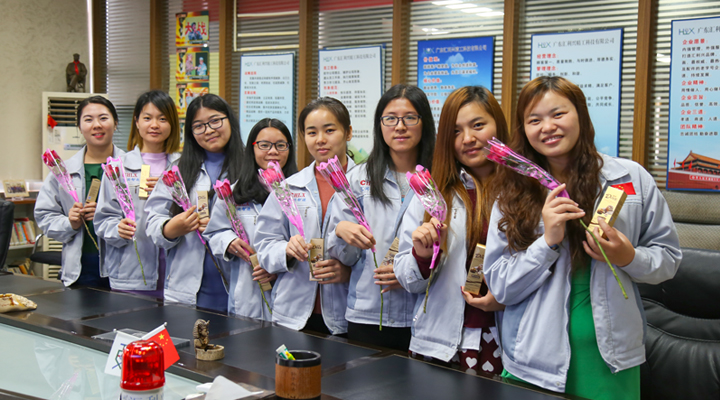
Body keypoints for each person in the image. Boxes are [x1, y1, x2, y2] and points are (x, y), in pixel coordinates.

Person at [484, 76, 682, 399]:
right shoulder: (511, 192)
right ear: (524, 129)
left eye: (558, 114)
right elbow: (500, 286)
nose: (548, 127)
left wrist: (628, 257)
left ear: (581, 115)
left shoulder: (630, 179)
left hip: (611, 360)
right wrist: (547, 242)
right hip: (533, 360)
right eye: (534, 120)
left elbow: (669, 260)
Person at [394, 86, 507, 374]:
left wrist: (507, 296)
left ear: (498, 125)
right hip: (440, 342)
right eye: (456, 131)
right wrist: (422, 257)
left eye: (478, 125)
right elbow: (407, 279)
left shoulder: (521, 192)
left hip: (503, 339)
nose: (468, 139)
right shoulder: (431, 193)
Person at [325, 84, 435, 350]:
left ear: (424, 123)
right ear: (379, 125)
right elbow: (344, 257)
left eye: (410, 118)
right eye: (390, 119)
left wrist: (411, 274)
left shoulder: (441, 177)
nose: (400, 127)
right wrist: (341, 232)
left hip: (426, 314)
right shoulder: (357, 179)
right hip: (368, 313)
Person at [254, 97, 356, 335]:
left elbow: (379, 249)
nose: (320, 139)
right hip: (293, 315)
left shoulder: (365, 186)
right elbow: (264, 244)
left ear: (348, 132)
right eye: (311, 132)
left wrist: (350, 273)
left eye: (329, 130)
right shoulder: (289, 187)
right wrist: (286, 251)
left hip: (347, 315)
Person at [145, 94, 243, 313]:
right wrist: (171, 228)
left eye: (215, 121)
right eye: (198, 126)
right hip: (187, 290)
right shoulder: (178, 171)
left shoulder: (249, 167)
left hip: (240, 288)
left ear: (230, 120)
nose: (208, 130)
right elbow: (153, 221)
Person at [204, 118, 298, 320]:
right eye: (264, 145)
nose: (273, 151)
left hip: (291, 291)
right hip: (248, 292)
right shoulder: (232, 193)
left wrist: (278, 264)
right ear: (252, 149)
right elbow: (214, 233)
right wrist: (228, 241)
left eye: (280, 145)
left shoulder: (300, 192)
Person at [95, 90, 182, 297]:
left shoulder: (183, 166)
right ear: (136, 122)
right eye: (147, 118)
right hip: (131, 271)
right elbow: (103, 220)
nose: (155, 125)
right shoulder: (118, 167)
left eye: (162, 119)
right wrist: (117, 228)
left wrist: (168, 191)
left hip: (177, 272)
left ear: (172, 124)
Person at [35, 96, 125, 288]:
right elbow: (44, 215)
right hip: (80, 268)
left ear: (115, 123)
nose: (97, 125)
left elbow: (146, 216)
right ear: (79, 127)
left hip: (124, 266)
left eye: (103, 118)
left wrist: (110, 216)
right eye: (88, 119)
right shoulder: (63, 171)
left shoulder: (133, 168)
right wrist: (70, 222)